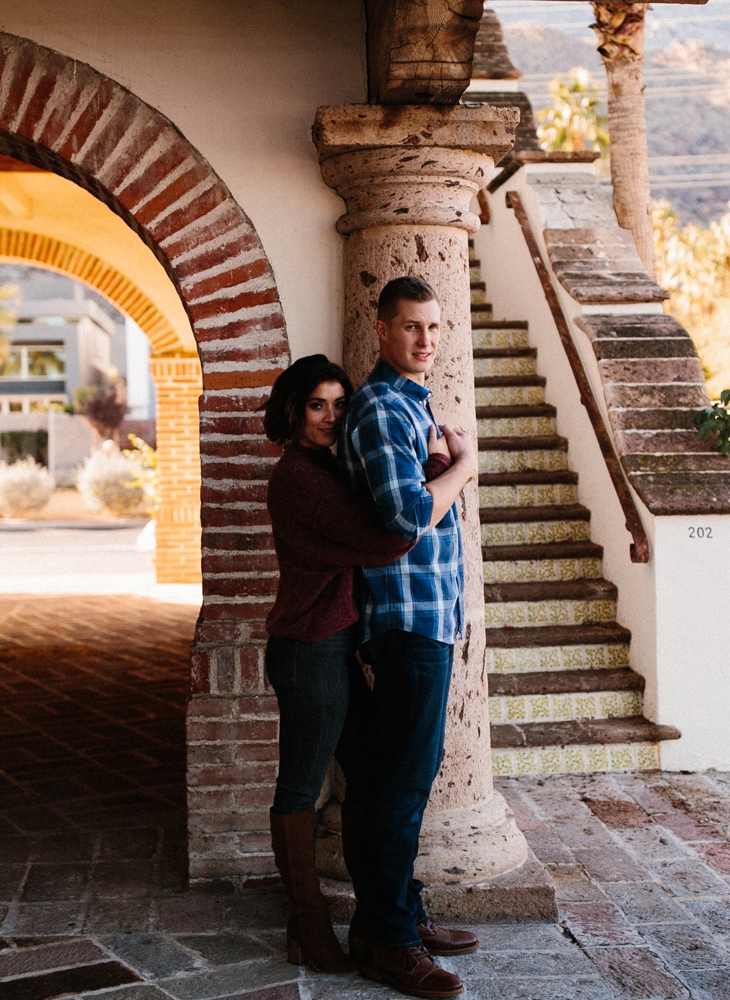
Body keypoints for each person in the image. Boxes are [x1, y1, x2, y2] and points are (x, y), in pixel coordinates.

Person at [261, 354, 457, 976]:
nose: (330, 417)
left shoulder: (327, 468)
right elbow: (391, 534)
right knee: (300, 786)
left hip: (337, 647)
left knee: (375, 778)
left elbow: (384, 506)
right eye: (316, 405)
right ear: (293, 411)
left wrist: (426, 464)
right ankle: (307, 922)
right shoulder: (298, 477)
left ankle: (397, 909)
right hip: (309, 649)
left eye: (340, 405)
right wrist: (456, 471)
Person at [338, 276, 481, 999]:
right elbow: (406, 517)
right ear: (381, 331)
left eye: (433, 327)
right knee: (399, 787)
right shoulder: (380, 408)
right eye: (411, 327)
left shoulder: (413, 407)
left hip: (429, 618)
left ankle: (398, 915)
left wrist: (442, 464)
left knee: (395, 782)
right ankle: (387, 943)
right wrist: (464, 467)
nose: (426, 339)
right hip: (405, 622)